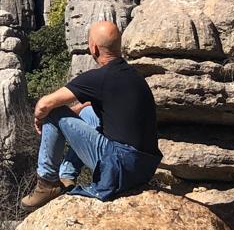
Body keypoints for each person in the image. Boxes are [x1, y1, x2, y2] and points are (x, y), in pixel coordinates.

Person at [21, 20, 159, 210]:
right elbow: (94, 104)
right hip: (143, 168)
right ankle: (66, 176)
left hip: (118, 168)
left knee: (55, 113)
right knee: (87, 112)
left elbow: (45, 104)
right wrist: (77, 111)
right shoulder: (134, 76)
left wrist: (40, 118)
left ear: (94, 48)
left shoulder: (99, 77)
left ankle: (47, 183)